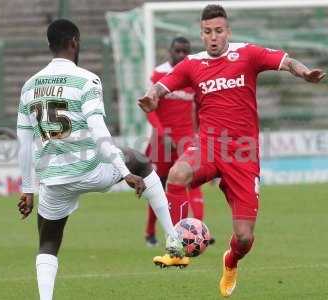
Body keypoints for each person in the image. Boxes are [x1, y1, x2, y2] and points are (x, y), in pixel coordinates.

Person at [138, 4, 325, 297]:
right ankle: (179, 243)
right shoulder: (192, 63)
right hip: (209, 146)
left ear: (228, 31)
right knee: (176, 174)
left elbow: (286, 61)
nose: (213, 37)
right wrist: (151, 96)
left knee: (244, 237)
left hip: (243, 154)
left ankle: (231, 260)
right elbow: (163, 86)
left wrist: (303, 73)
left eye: (218, 31)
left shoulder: (247, 54)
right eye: (207, 32)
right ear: (201, 34)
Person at [17, 19, 183, 300]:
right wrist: (123, 171)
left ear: (50, 46)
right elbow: (98, 130)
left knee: (47, 242)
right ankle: (173, 240)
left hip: (54, 180)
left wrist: (27, 189)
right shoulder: (87, 79)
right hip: (91, 170)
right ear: (74, 43)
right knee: (139, 160)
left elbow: (24, 143)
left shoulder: (29, 86)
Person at [144, 37, 206, 247]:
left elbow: (199, 109)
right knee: (158, 187)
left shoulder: (193, 74)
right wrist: (162, 134)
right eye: (177, 51)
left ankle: (196, 229)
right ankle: (150, 231)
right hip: (162, 141)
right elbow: (150, 110)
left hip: (186, 140)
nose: (181, 55)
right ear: (169, 51)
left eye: (185, 51)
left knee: (193, 180)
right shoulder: (159, 74)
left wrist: (199, 134)